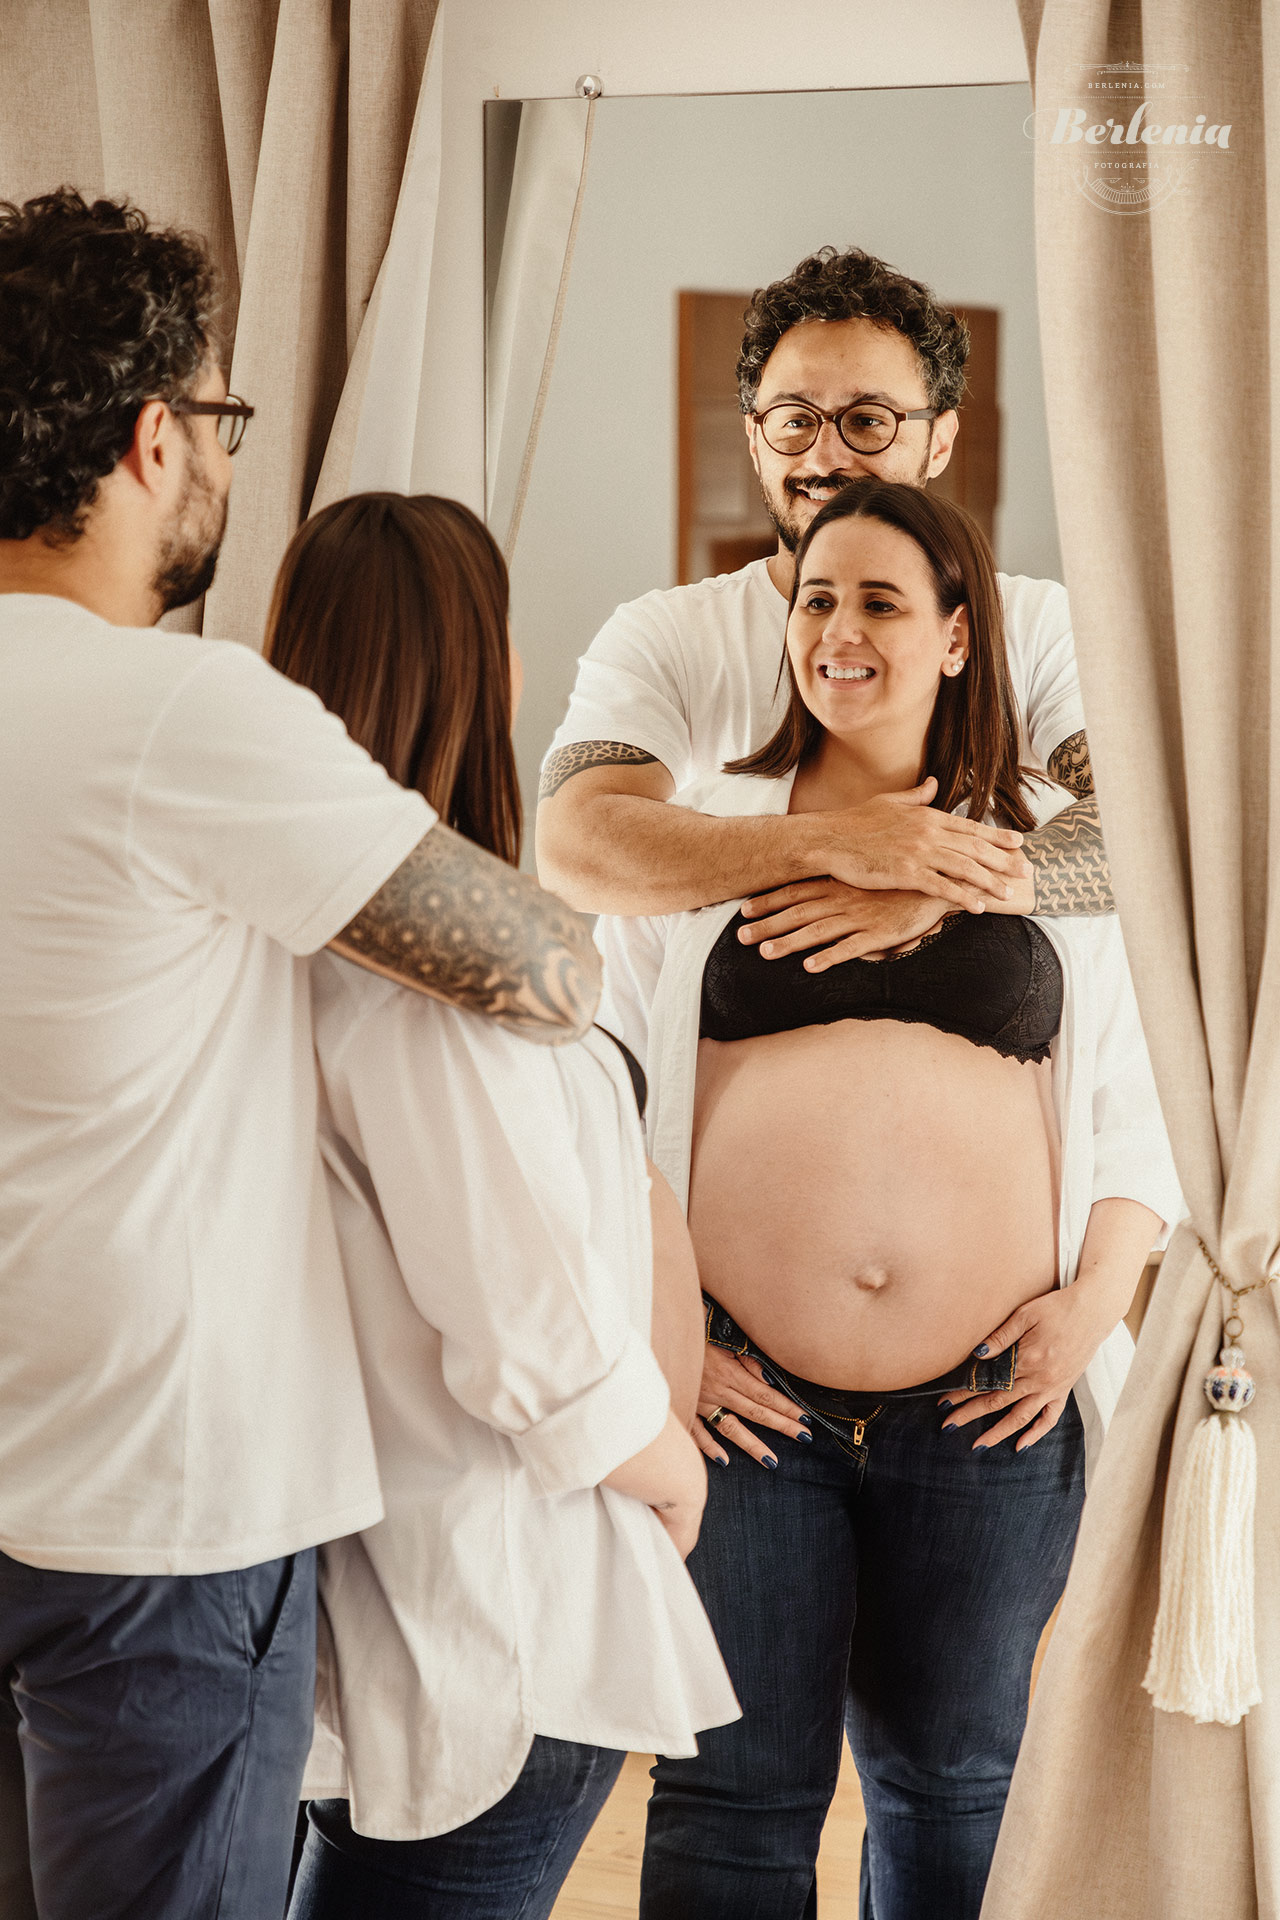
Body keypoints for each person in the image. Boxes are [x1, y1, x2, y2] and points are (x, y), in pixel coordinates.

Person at [0, 190, 599, 1920]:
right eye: (219, 423)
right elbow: (541, 966)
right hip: (157, 1508)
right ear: (149, 437)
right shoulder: (177, 714)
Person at [595, 478, 1182, 1920]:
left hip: (990, 1408)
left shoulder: (1054, 849)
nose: (839, 632)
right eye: (814, 599)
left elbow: (1144, 1103)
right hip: (744, 1409)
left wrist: (1091, 1306)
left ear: (960, 638)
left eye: (880, 603)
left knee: (959, 1786)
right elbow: (599, 1105)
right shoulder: (710, 833)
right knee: (733, 1789)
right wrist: (676, 1344)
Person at [255, 491, 737, 1920]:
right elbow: (527, 1325)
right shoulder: (427, 995)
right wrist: (672, 1464)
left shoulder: (322, 956)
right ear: (490, 673)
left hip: (457, 1597)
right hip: (491, 1604)